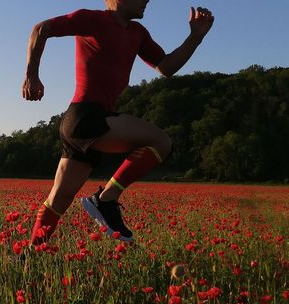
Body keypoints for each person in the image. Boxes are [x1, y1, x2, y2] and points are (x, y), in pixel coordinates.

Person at [23, 0, 214, 244]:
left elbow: (166, 67)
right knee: (161, 141)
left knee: (57, 202)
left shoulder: (138, 33)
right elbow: (41, 29)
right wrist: (31, 74)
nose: (147, 0)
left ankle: (29, 257)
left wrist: (195, 38)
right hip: (85, 116)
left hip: (87, 123)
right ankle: (105, 199)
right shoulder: (92, 19)